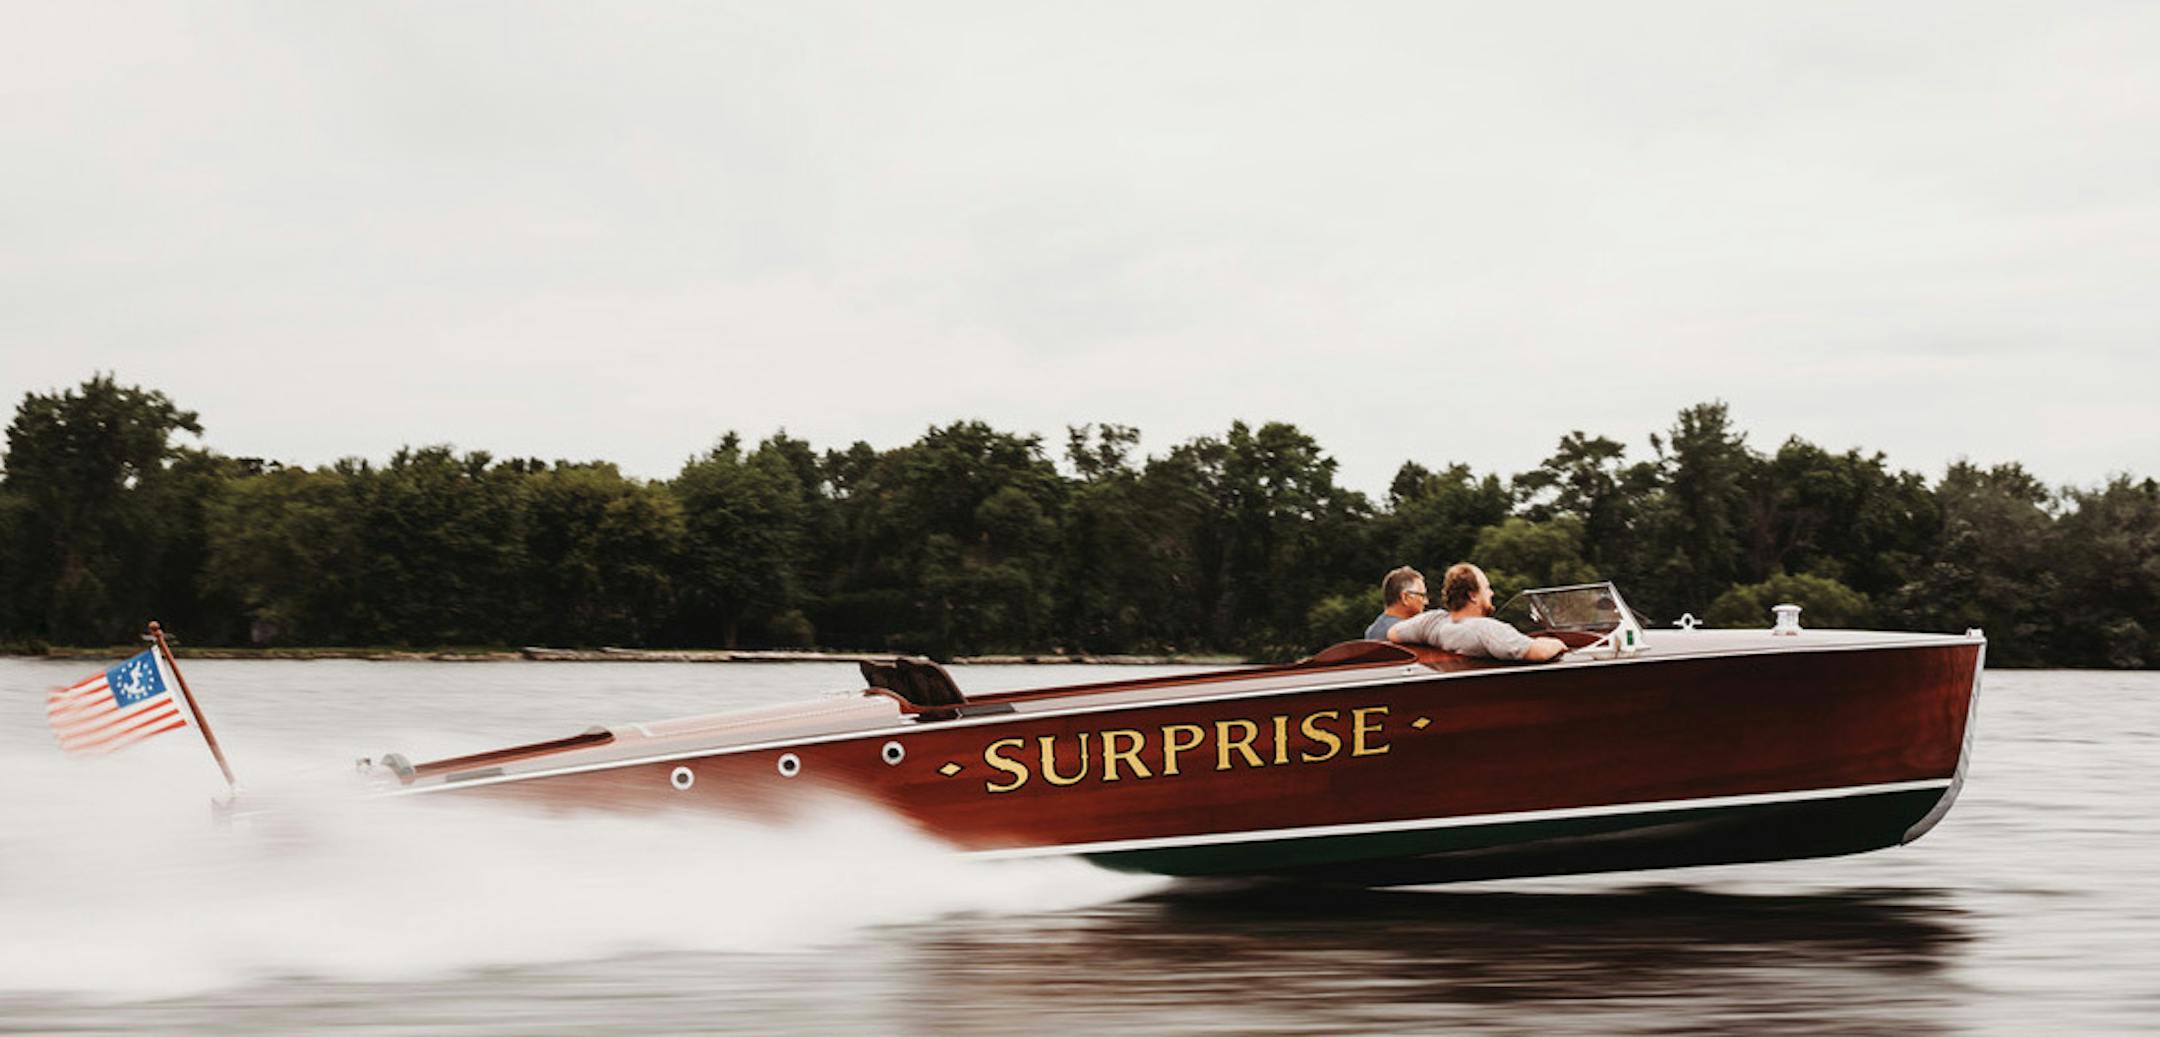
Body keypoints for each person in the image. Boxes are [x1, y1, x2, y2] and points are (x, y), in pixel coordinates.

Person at [1388, 562, 1567, 662]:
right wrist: (1558, 643)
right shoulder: (1486, 629)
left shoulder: (1433, 622)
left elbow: (1393, 633)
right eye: (1487, 588)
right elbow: (1540, 653)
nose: (1491, 593)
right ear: (1473, 596)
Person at [1364, 566, 1427, 641]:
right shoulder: (1408, 634)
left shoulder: (1372, 631)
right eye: (1422, 595)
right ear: (1405, 598)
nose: (1426, 602)